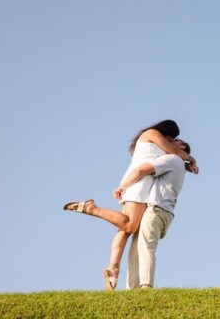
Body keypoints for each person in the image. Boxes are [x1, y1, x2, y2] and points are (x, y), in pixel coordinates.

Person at [62, 119, 196, 289]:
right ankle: (91, 208)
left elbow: (172, 159)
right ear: (167, 133)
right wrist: (191, 160)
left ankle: (113, 268)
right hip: (139, 180)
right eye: (172, 139)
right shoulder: (153, 135)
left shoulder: (162, 149)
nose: (172, 142)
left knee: (125, 230)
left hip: (138, 179)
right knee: (130, 226)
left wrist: (186, 164)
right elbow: (173, 153)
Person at [123, 137, 193, 289]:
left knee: (146, 246)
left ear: (181, 147)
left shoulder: (173, 159)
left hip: (157, 209)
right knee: (135, 250)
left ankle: (146, 285)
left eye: (174, 140)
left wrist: (122, 187)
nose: (167, 141)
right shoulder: (178, 163)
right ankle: (132, 289)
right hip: (160, 211)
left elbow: (141, 170)